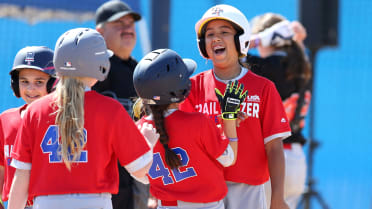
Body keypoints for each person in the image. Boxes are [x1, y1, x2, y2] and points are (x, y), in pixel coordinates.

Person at [7, 28, 157, 209]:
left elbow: (21, 178)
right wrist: (148, 143)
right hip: (95, 203)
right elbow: (141, 171)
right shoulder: (111, 109)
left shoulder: (35, 111)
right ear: (100, 65)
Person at [179, 4, 292, 209]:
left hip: (248, 189)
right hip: (205, 188)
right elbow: (182, 141)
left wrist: (277, 196)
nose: (215, 38)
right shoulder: (192, 87)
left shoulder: (263, 88)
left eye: (224, 32)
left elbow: (274, 147)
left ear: (241, 40)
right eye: (210, 34)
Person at [133, 48, 246, 209]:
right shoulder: (198, 122)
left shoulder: (139, 129)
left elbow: (142, 176)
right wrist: (229, 121)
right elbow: (229, 159)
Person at [245, 13, 311, 209]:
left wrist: (258, 38)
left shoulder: (267, 67)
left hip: (272, 160)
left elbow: (231, 52)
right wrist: (298, 41)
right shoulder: (303, 67)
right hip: (296, 160)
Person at [93, 1, 143, 208]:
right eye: (119, 23)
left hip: (136, 176)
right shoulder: (92, 71)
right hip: (99, 174)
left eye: (130, 22)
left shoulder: (142, 71)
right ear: (100, 32)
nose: (127, 27)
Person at [0, 46, 57, 209]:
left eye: (39, 82)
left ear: (54, 84)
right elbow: (2, 166)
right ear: (15, 85)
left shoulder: (61, 120)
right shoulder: (5, 119)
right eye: (24, 81)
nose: (31, 89)